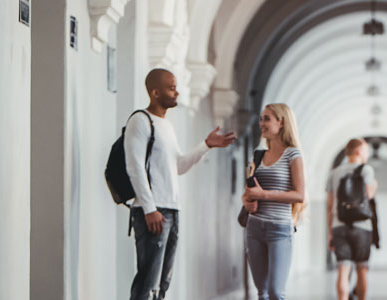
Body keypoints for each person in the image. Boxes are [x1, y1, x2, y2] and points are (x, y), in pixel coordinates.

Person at [125, 68, 235, 300]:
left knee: (162, 283)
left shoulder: (166, 126)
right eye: (171, 88)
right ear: (155, 92)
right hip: (153, 212)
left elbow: (179, 166)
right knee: (148, 282)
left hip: (172, 211)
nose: (177, 92)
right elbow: (134, 167)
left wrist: (206, 145)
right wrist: (149, 208)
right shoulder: (140, 121)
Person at [241, 103, 306, 300]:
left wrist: (264, 195)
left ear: (281, 122)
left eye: (267, 119)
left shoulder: (293, 155)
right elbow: (249, 192)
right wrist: (247, 202)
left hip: (279, 229)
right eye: (261, 119)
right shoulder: (258, 155)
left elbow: (299, 195)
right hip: (254, 228)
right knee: (262, 293)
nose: (261, 123)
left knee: (276, 292)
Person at [326, 138, 378, 300]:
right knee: (361, 269)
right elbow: (368, 195)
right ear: (358, 151)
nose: (367, 155)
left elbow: (329, 206)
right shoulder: (366, 170)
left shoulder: (334, 173)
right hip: (362, 226)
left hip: (339, 225)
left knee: (343, 269)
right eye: (366, 151)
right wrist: (374, 185)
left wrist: (330, 233)